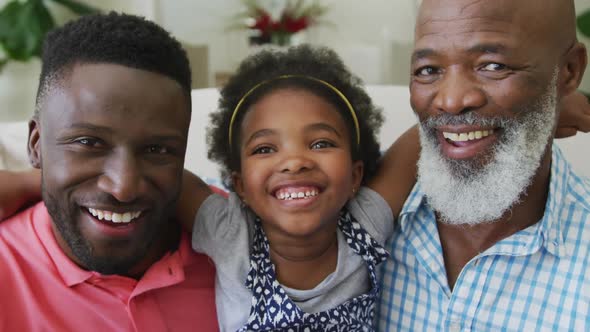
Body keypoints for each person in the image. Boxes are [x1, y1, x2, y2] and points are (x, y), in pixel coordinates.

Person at [376, 0, 590, 330]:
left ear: (570, 71)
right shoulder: (357, 229)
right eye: (429, 70)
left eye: (492, 66)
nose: (451, 100)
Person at [0, 12, 217, 331]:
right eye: (89, 142)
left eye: (158, 150)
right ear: (36, 145)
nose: (123, 187)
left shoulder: (246, 248)